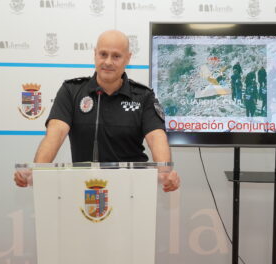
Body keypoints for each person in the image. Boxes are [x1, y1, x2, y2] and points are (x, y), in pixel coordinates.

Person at [14, 30, 180, 192]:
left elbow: (156, 137)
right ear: (95, 54)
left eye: (116, 56)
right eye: (103, 54)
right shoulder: (71, 91)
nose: (108, 62)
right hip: (86, 189)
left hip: (131, 191)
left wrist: (165, 172)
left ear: (127, 58)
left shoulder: (143, 96)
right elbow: (55, 134)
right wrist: (38, 169)